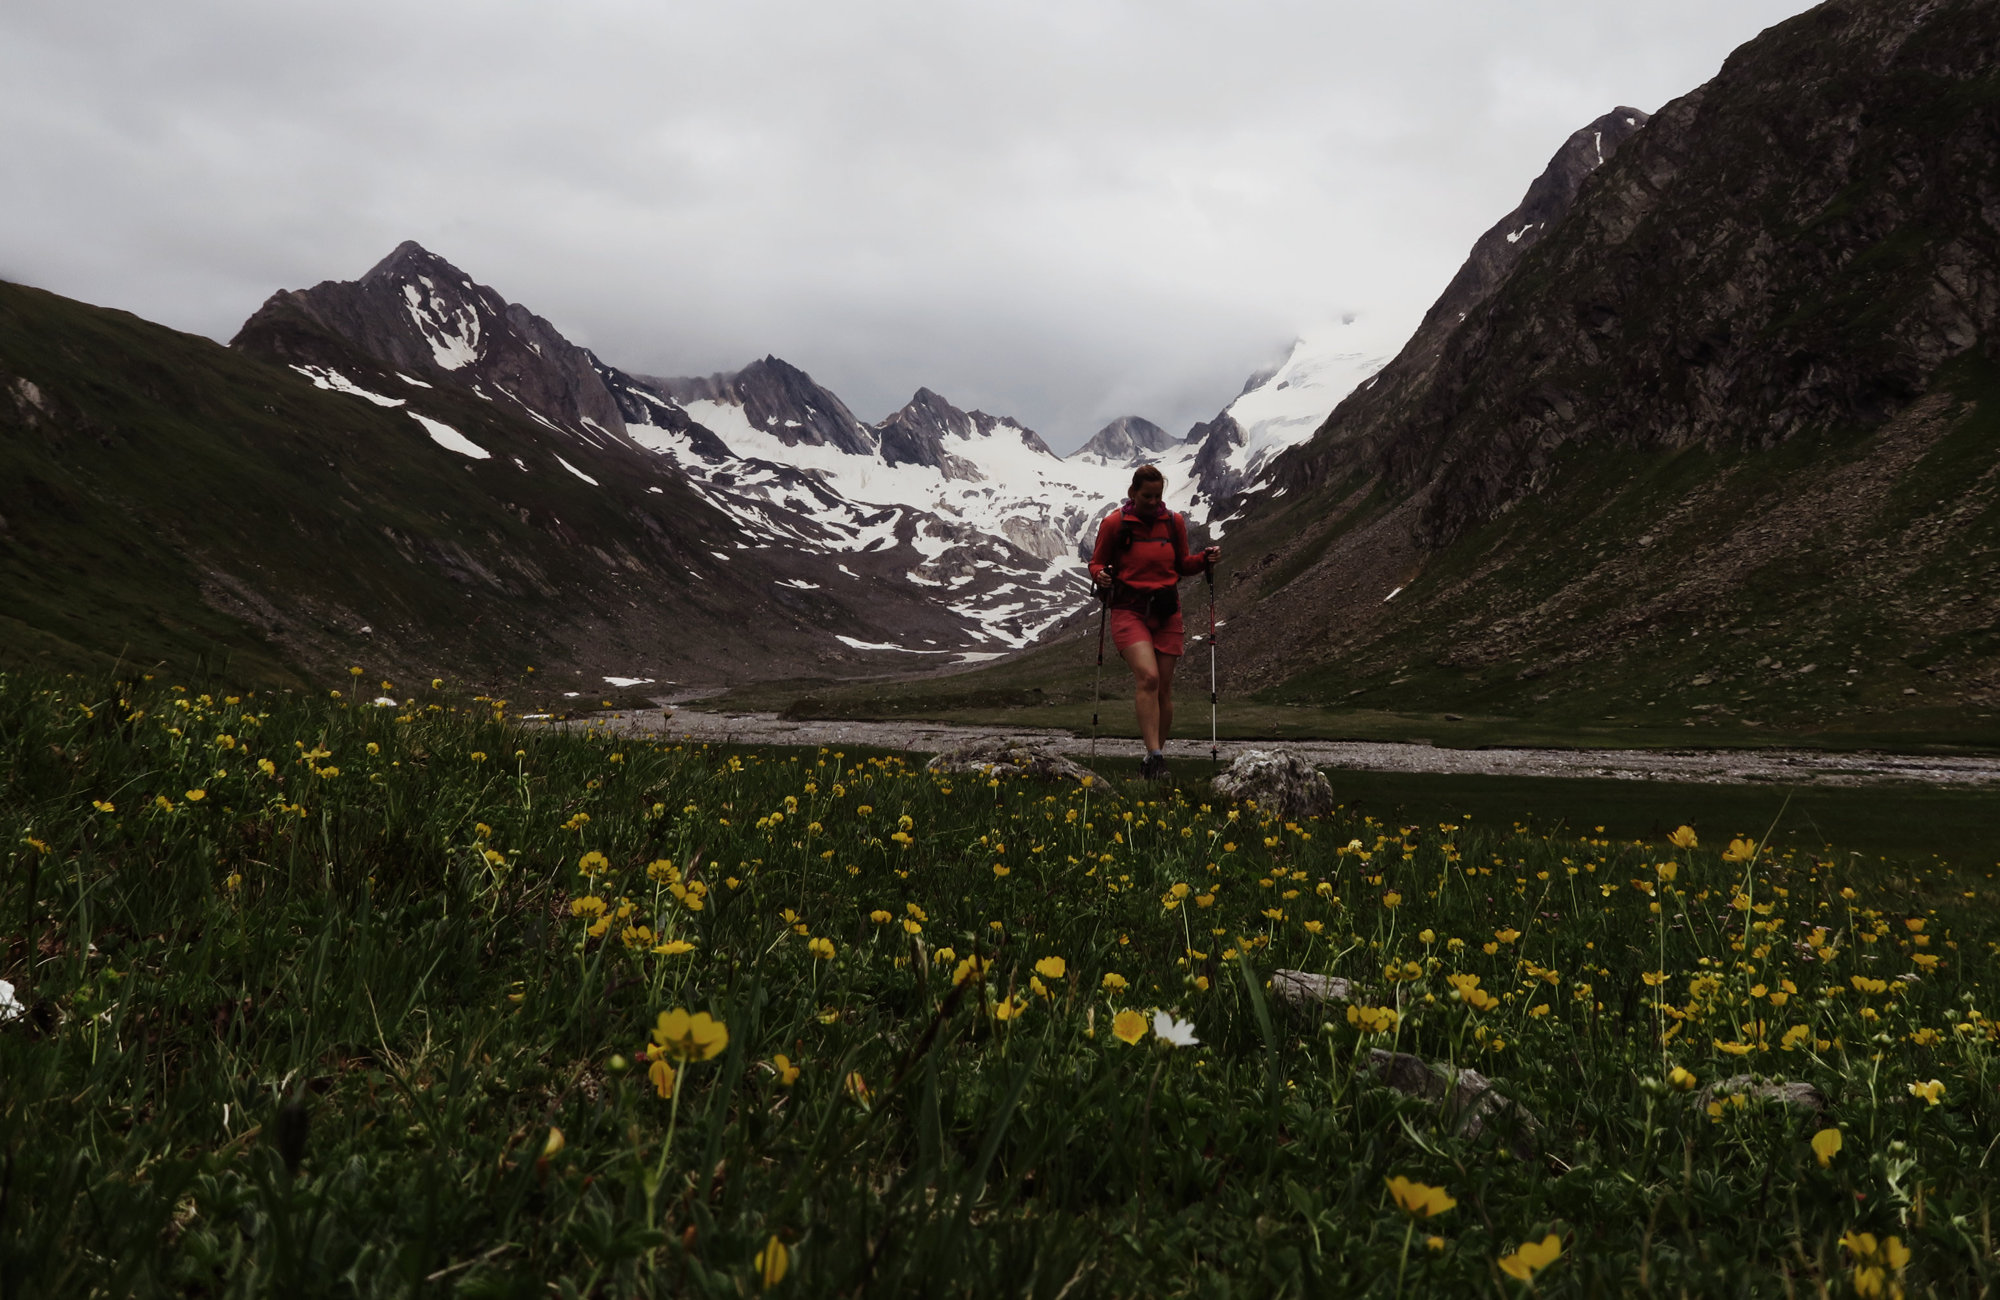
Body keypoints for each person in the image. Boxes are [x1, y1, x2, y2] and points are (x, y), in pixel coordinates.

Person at [1088, 465, 1220, 780]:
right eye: (1147, 496)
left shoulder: (1173, 522)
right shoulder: (1114, 524)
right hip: (1128, 610)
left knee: (1163, 688)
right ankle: (1156, 755)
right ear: (1133, 492)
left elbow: (1182, 564)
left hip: (1167, 610)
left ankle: (1153, 763)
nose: (1153, 501)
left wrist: (1204, 560)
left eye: (1158, 495)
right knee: (1148, 678)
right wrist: (1100, 575)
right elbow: (1095, 562)